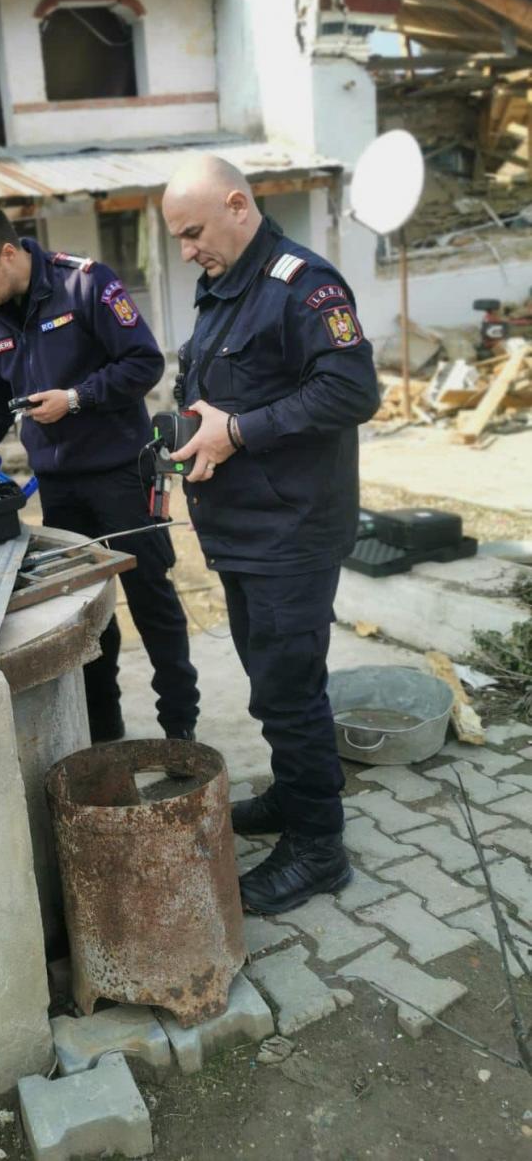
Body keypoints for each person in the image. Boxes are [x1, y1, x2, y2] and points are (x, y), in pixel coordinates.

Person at [161, 154, 380, 915]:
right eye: (180, 238)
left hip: (292, 530)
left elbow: (353, 389)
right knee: (270, 685)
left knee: (291, 691)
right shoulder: (226, 289)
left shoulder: (303, 284)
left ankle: (320, 848)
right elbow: (215, 391)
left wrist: (241, 431)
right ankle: (294, 800)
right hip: (245, 532)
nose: (186, 249)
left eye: (193, 232)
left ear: (236, 205)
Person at [0, 202, 200, 744]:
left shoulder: (86, 286)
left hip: (122, 475)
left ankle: (180, 730)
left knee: (151, 602)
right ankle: (104, 733)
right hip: (61, 491)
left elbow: (143, 363)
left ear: (8, 252)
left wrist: (76, 399)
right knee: (83, 615)